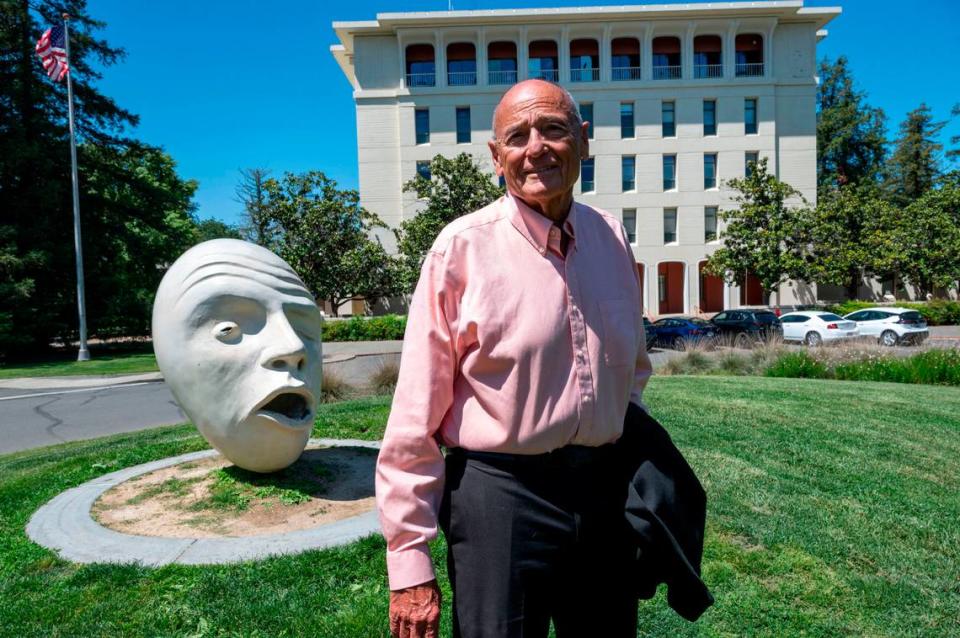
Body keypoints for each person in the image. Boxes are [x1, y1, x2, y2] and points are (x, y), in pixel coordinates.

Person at [376, 79, 653, 638]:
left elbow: (633, 370)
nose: (536, 148)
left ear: (583, 140)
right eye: (517, 136)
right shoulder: (460, 249)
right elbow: (414, 416)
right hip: (500, 501)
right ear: (496, 157)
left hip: (602, 496)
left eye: (553, 129)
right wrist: (409, 562)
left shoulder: (612, 238)